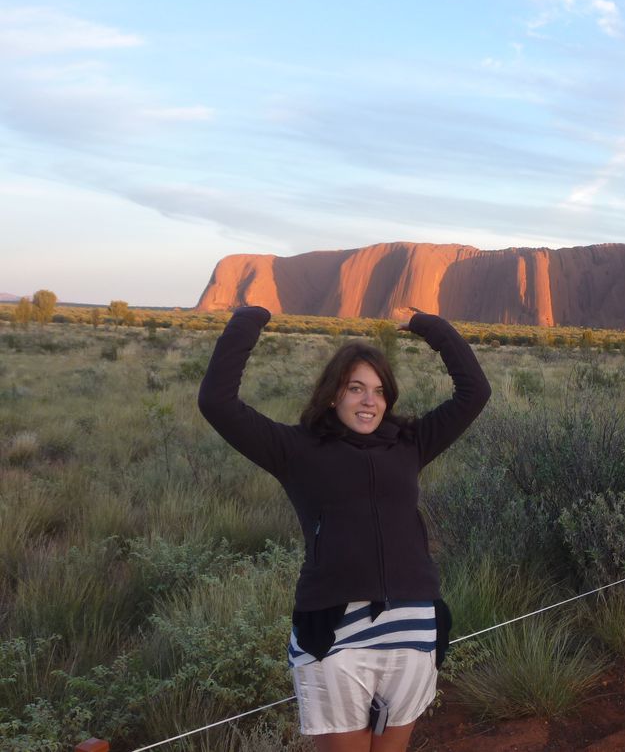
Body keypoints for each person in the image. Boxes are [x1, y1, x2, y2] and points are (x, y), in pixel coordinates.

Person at [198, 306, 490, 752]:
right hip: (335, 632)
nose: (369, 401)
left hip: (410, 625)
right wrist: (249, 319)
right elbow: (216, 402)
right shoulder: (294, 450)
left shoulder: (411, 444)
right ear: (333, 394)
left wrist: (430, 327)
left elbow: (474, 392)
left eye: (378, 391)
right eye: (356, 388)